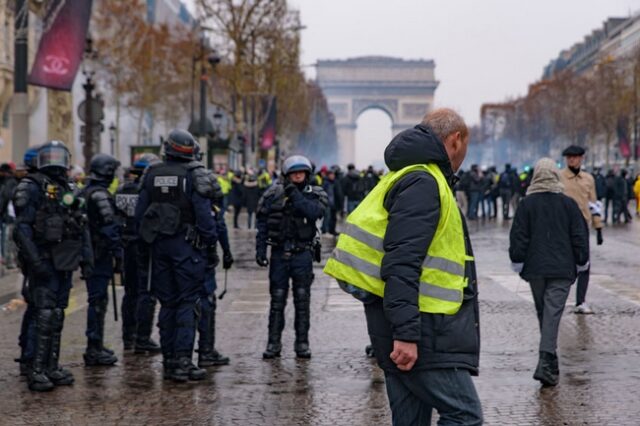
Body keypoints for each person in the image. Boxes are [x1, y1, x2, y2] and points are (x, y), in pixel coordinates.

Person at [324, 108, 482, 425]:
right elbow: (401, 262)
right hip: (423, 333)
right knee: (465, 416)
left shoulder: (407, 175)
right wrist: (407, 335)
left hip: (403, 325)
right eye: (464, 149)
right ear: (455, 140)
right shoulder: (424, 182)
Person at [136, 129, 217, 382]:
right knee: (187, 302)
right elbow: (204, 217)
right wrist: (211, 246)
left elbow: (140, 214)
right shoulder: (195, 174)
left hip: (159, 246)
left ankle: (169, 360)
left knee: (167, 302)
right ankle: (184, 360)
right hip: (187, 246)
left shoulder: (151, 173)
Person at [13, 141, 93, 391]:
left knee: (57, 313)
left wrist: (86, 259)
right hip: (43, 259)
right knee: (44, 313)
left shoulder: (67, 187)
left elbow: (81, 225)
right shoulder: (31, 186)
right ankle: (36, 369)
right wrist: (35, 261)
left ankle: (50, 366)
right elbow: (22, 229)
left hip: (64, 259)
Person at [509, 158, 589, 386]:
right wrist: (581, 261)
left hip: (535, 269)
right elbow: (579, 235)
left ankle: (548, 362)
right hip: (562, 269)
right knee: (551, 314)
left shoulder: (527, 204)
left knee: (545, 313)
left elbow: (518, 236)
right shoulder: (568, 204)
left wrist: (517, 260)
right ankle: (546, 362)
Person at [256, 155, 327, 359]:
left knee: (302, 301)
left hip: (302, 254)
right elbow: (262, 224)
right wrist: (260, 250)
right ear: (287, 174)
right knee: (277, 301)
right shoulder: (273, 194)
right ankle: (273, 343)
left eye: (301, 172)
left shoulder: (315, 193)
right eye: (294, 172)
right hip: (279, 253)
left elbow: (314, 213)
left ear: (307, 174)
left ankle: (302, 343)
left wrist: (295, 195)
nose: (298, 175)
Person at [115, 154, 161, 354]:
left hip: (126, 245)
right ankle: (143, 337)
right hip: (144, 245)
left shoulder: (121, 190)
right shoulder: (150, 191)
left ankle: (128, 336)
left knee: (130, 292)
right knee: (147, 292)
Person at [81, 153, 122, 367]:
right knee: (97, 301)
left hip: (90, 254)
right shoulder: (100, 195)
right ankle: (93, 347)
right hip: (99, 254)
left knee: (98, 300)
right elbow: (109, 226)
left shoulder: (86, 191)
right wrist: (118, 252)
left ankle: (96, 344)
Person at [559, 145, 603, 315]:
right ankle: (559, 299)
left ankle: (581, 301)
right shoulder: (559, 177)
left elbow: (594, 203)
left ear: (581, 158)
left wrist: (598, 227)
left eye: (575, 157)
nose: (572, 160)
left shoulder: (588, 179)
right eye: (569, 157)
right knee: (563, 264)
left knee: (584, 263)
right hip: (563, 225)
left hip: (583, 225)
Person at [197, 169, 233, 368]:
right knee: (206, 303)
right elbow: (219, 228)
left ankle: (176, 358)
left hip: (175, 257)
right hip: (201, 257)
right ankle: (205, 351)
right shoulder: (210, 202)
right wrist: (225, 251)